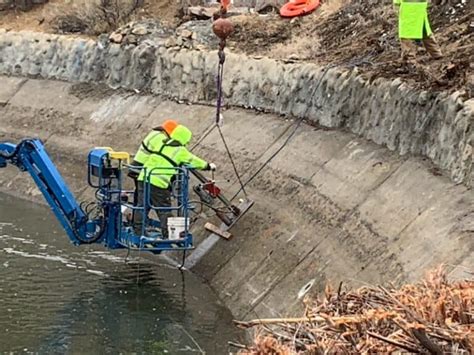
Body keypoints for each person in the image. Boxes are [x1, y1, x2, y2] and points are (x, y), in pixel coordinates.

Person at [133, 124, 216, 239]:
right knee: (164, 209)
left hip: (143, 177)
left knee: (142, 206)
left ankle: (138, 231)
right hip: (158, 183)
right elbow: (194, 160)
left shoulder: (162, 142)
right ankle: (168, 235)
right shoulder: (180, 150)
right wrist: (208, 166)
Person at [128, 119, 178, 205]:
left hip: (138, 166)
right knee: (146, 197)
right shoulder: (160, 137)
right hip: (143, 167)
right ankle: (139, 216)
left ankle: (137, 217)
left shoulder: (155, 134)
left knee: (141, 196)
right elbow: (164, 152)